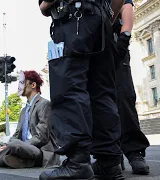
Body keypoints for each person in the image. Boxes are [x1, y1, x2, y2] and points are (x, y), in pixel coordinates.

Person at [38, 0, 125, 179]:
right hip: (102, 21)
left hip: (73, 18)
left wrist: (45, 4)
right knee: (102, 92)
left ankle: (78, 162)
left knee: (69, 88)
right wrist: (106, 18)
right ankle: (108, 162)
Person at [0, 70, 60, 168]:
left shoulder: (44, 104)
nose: (19, 86)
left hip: (39, 150)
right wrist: (8, 145)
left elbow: (41, 137)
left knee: (15, 144)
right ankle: (16, 160)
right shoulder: (24, 110)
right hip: (21, 147)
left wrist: (16, 145)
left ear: (33, 85)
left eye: (22, 83)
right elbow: (17, 134)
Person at [113, 0, 150, 175]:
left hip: (115, 46)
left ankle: (134, 152)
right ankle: (111, 155)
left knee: (124, 98)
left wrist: (124, 36)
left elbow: (125, 5)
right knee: (98, 103)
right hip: (91, 49)